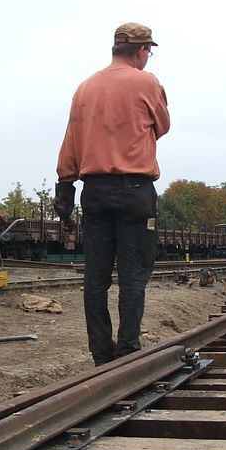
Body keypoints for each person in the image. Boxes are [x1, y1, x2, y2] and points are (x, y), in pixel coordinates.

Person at [54, 22, 170, 366]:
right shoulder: (147, 83)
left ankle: (101, 356)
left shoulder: (85, 88)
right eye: (148, 51)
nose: (148, 57)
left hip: (95, 193)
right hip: (135, 192)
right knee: (134, 274)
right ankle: (128, 350)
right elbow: (162, 126)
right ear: (140, 50)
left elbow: (71, 142)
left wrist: (65, 186)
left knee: (96, 277)